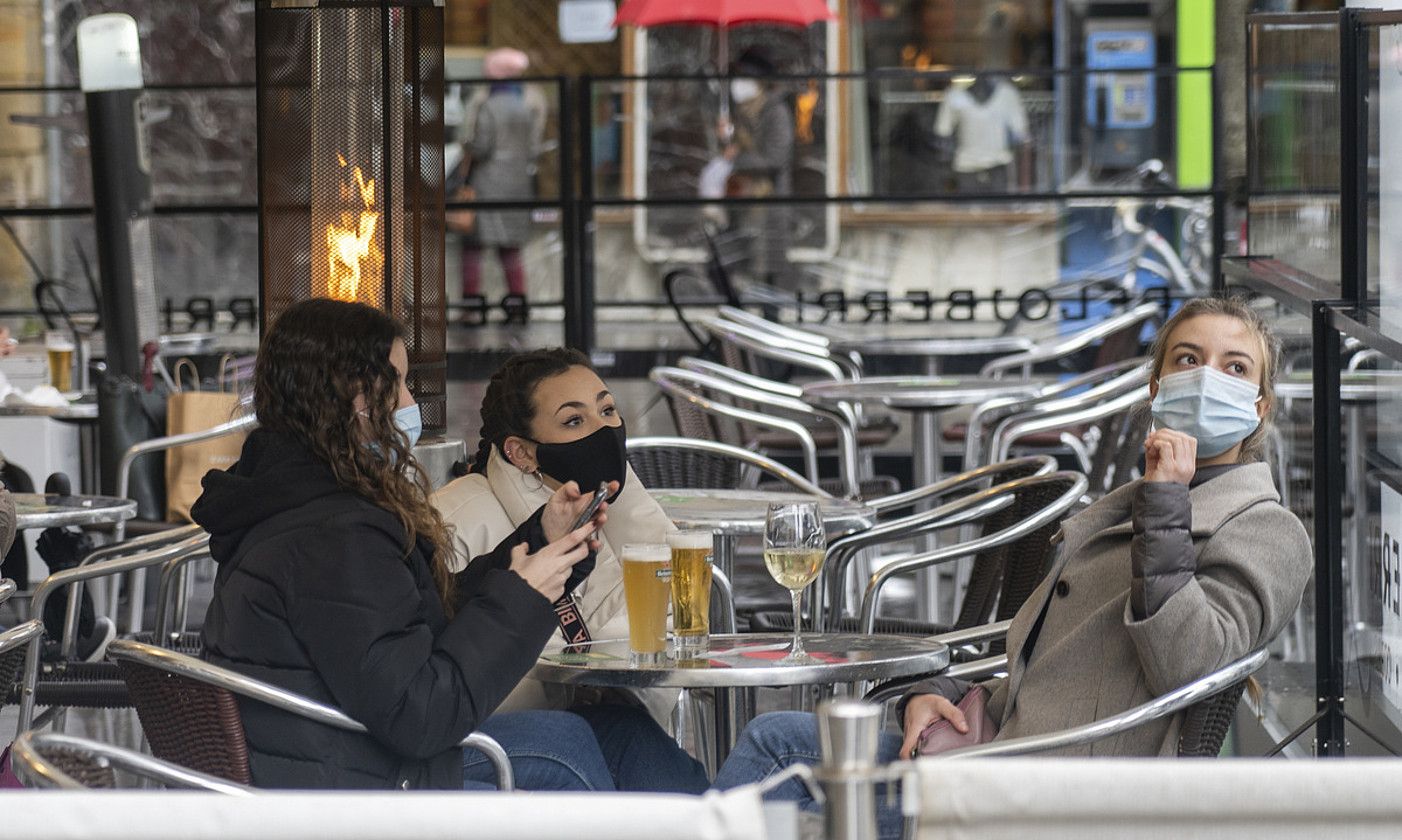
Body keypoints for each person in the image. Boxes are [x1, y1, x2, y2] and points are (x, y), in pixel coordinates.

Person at [712, 296, 1313, 837]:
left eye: (1234, 368)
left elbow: (1187, 663)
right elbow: (1046, 669)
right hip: (1004, 751)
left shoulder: (1264, 527)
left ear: (1259, 407)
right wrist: (934, 694)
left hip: (1061, 793)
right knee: (774, 739)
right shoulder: (1139, 499)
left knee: (775, 754)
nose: (1207, 378)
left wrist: (1167, 503)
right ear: (1154, 388)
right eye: (1187, 359)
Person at [194, 299, 706, 793]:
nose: (410, 405)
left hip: (341, 755)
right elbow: (422, 717)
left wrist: (538, 542)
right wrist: (523, 597)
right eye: (396, 383)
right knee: (566, 748)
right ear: (352, 396)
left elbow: (406, 622)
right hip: (358, 784)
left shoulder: (303, 503)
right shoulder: (334, 536)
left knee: (616, 728)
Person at [433, 348, 683, 727]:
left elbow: (676, 619)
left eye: (607, 410)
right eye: (573, 421)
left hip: (614, 717)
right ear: (521, 453)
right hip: (511, 741)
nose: (602, 430)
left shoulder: (617, 495)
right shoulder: (453, 520)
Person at [457, 47, 546, 307]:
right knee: (511, 250)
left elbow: (482, 147)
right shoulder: (529, 104)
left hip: (488, 186)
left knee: (473, 249)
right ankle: (517, 303)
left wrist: (467, 146)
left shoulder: (487, 105)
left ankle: (472, 305)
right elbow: (533, 147)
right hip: (518, 186)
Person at [720, 47, 795, 292]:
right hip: (741, 206)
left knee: (767, 279)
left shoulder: (776, 113)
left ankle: (769, 326)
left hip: (767, 206)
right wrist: (724, 139)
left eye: (745, 77)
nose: (739, 84)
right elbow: (726, 155)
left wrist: (737, 158)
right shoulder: (738, 114)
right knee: (735, 276)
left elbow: (774, 159)